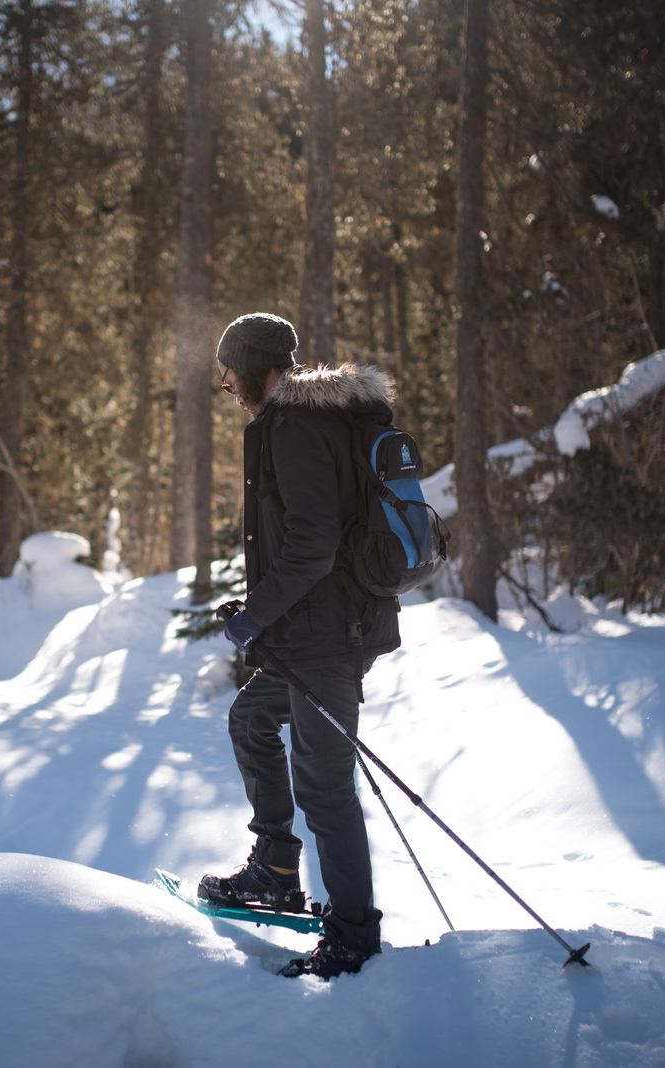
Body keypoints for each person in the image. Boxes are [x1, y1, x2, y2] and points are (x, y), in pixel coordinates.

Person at [198, 311, 401, 979]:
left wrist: (255, 617)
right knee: (251, 718)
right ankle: (277, 867)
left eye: (230, 383)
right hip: (325, 628)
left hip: (328, 637)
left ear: (257, 371)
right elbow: (316, 537)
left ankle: (351, 939)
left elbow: (310, 547)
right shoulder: (316, 420)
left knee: (325, 788)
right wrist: (260, 610)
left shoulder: (296, 427)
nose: (230, 395)